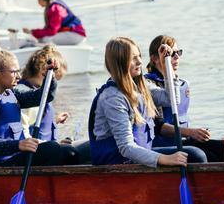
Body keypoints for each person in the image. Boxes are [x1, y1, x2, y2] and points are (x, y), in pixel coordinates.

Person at [88, 36, 208, 167]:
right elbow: (126, 147)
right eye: (133, 58)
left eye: (139, 56)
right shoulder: (112, 98)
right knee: (196, 155)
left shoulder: (141, 86)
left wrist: (165, 64)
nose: (140, 61)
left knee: (201, 152)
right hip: (118, 161)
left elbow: (171, 99)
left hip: (137, 155)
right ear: (120, 62)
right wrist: (164, 159)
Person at [0, 44, 78, 167]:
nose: (19, 76)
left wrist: (50, 76)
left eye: (19, 71)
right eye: (14, 72)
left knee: (69, 153)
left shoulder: (12, 94)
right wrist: (19, 145)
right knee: (53, 148)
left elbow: (42, 97)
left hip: (14, 158)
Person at [144, 35, 224, 162]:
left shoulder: (181, 84)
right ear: (155, 58)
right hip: (163, 145)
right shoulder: (151, 86)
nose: (176, 57)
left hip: (183, 140)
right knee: (206, 157)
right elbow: (158, 127)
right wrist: (191, 132)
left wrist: (196, 134)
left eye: (178, 52)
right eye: (170, 54)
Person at [22, 0, 86, 45]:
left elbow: (52, 31)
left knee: (45, 39)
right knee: (42, 38)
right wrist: (33, 32)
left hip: (76, 35)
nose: (38, 2)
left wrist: (32, 32)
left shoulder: (55, 9)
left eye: (38, 0)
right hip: (73, 34)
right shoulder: (52, 5)